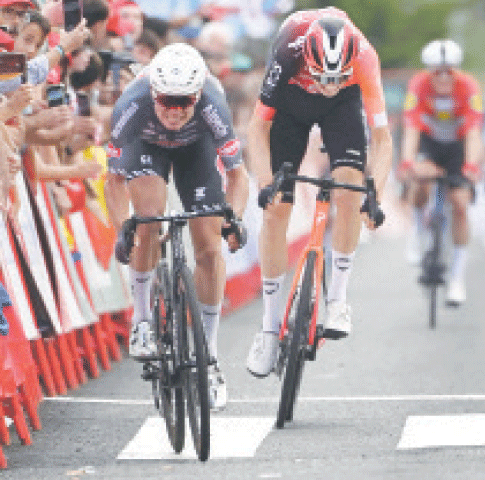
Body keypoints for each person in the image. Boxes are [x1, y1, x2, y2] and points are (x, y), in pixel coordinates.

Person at [245, 7, 392, 378]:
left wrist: (374, 194)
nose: (328, 84)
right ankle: (268, 327)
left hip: (343, 108)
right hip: (292, 105)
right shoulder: (287, 51)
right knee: (277, 206)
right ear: (307, 57)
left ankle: (338, 300)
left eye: (336, 76)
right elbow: (257, 130)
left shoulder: (364, 57)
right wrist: (266, 183)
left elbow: (382, 139)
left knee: (350, 190)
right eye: (322, 76)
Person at [108, 42, 249, 409]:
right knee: (149, 220)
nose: (173, 111)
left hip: (195, 150)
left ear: (198, 95)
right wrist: (122, 226)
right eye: (166, 100)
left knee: (209, 247)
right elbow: (114, 181)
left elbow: (237, 174)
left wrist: (233, 217)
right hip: (146, 147)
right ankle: (141, 321)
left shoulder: (213, 105)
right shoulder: (132, 104)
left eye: (183, 102)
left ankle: (211, 358)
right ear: (153, 92)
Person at [400, 39, 483, 305]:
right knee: (420, 181)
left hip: (458, 146)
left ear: (457, 70)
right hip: (429, 142)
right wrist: (407, 163)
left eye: (450, 71)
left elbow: (473, 133)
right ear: (429, 71)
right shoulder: (419, 85)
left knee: (459, 204)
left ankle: (457, 278)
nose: (444, 77)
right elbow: (412, 128)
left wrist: (471, 166)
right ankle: (417, 230)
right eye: (438, 71)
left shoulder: (469, 87)